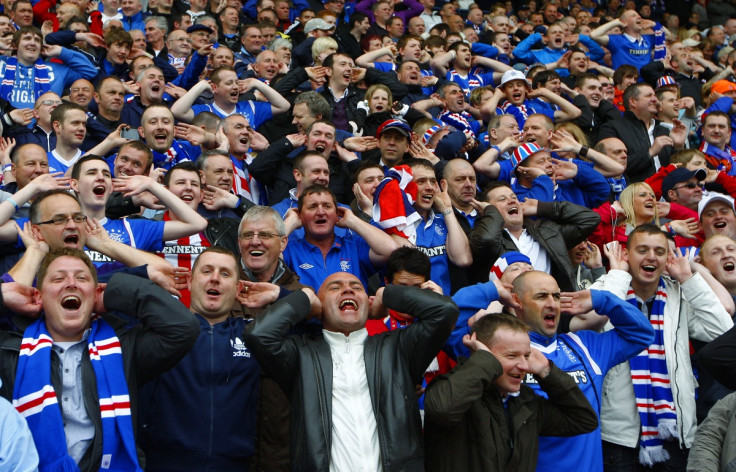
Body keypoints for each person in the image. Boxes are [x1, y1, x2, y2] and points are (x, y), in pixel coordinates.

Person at [0, 248, 199, 471]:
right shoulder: (10, 351)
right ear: (39, 296)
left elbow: (183, 328)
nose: (71, 283)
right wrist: (2, 295)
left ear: (95, 293)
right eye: (58, 278)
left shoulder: (125, 348)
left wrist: (115, 292)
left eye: (82, 278)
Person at [243, 271, 459, 471]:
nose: (348, 290)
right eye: (335, 288)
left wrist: (387, 294)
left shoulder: (399, 348)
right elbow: (258, 334)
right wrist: (305, 298)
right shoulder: (301, 355)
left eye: (357, 287)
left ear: (369, 302)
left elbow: (444, 311)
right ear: (320, 306)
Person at [587, 225, 733, 469]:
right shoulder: (611, 285)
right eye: (642, 250)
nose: (651, 257)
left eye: (659, 251)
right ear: (627, 255)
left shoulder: (680, 294)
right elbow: (590, 320)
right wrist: (618, 275)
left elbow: (722, 329)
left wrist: (688, 278)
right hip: (620, 436)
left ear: (668, 258)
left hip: (674, 432)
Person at [424, 312, 600, 472]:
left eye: (526, 355)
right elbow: (442, 410)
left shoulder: (526, 400)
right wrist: (484, 362)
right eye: (512, 356)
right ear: (481, 352)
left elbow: (583, 420)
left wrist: (547, 372)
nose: (524, 366)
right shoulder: (447, 389)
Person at [139, 247, 260, 471]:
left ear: (238, 288)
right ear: (190, 280)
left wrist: (279, 295)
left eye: (225, 274)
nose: (215, 278)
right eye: (206, 271)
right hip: (164, 462)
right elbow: (97, 293)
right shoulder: (160, 330)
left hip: (234, 464)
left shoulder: (253, 335)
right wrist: (145, 274)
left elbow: (313, 315)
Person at [282, 184, 398, 289]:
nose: (321, 212)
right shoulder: (289, 249)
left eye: (327, 206)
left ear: (337, 214)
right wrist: (290, 222)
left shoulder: (354, 246)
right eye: (313, 207)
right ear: (300, 215)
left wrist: (353, 220)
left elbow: (391, 250)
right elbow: (268, 257)